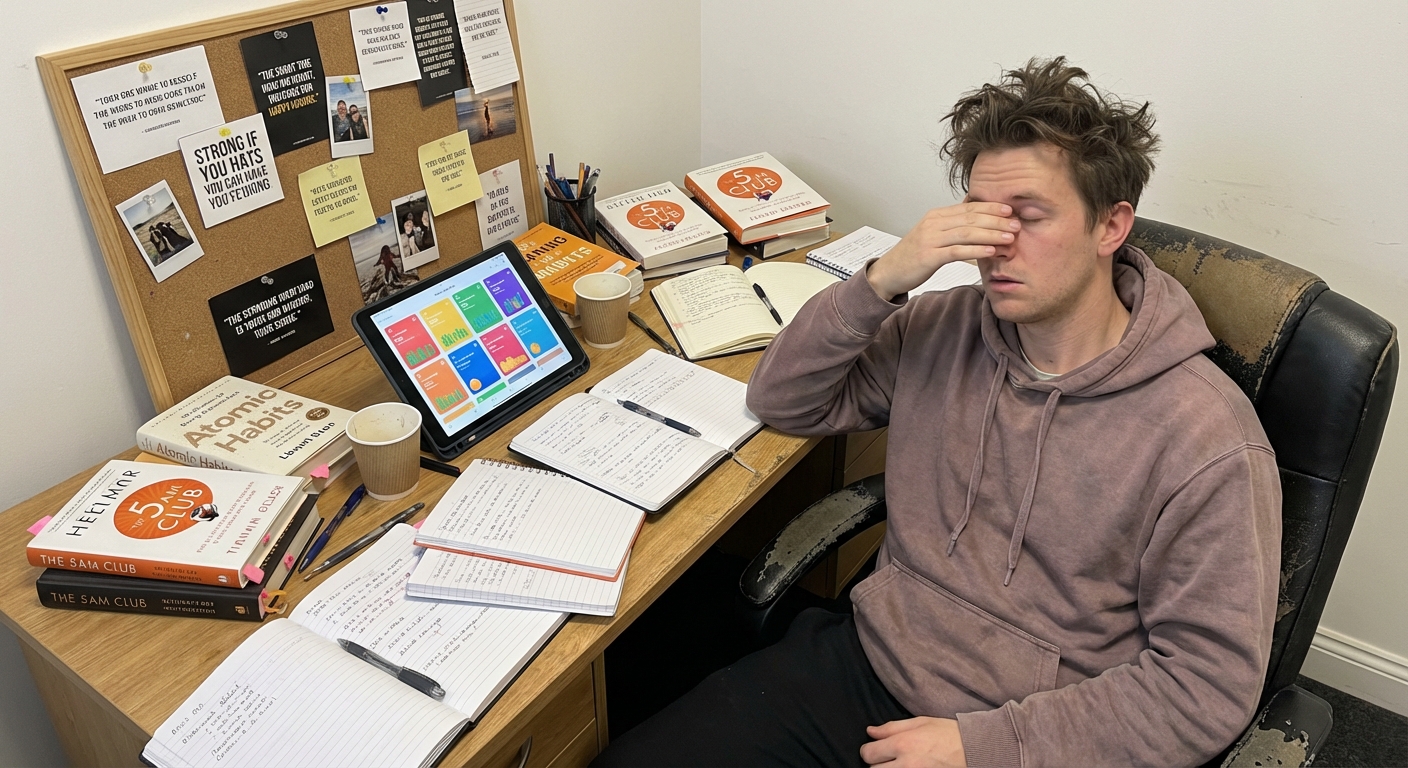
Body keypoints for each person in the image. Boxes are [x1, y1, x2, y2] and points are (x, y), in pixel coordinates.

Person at [594, 57, 1281, 767]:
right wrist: (885, 278)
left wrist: (984, 746)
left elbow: (1206, 688)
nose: (996, 246)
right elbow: (783, 400)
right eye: (983, 217)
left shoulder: (1208, 439)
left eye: (1031, 217)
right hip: (874, 662)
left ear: (1111, 226)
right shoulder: (945, 326)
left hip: (1040, 733)